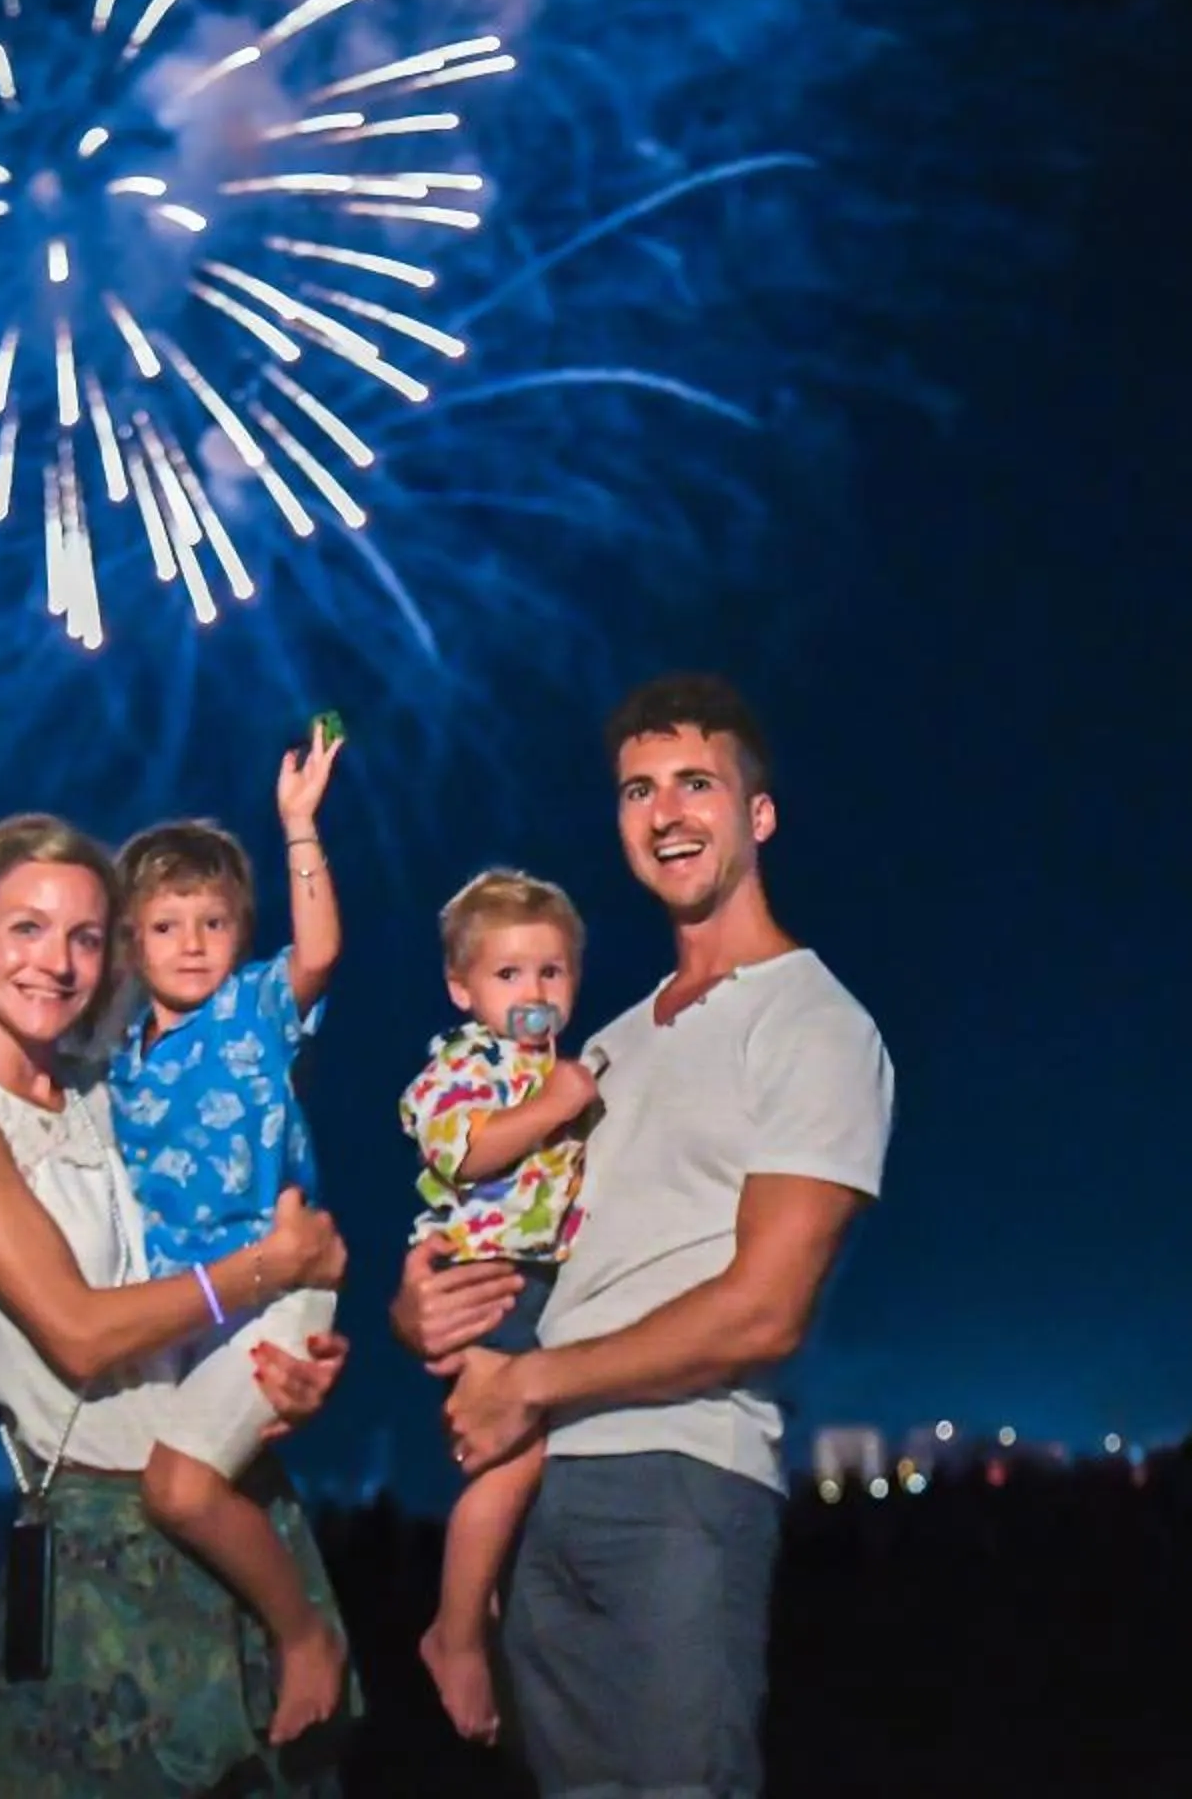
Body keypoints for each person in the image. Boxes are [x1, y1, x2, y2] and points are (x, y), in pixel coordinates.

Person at [397, 674, 894, 1798]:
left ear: (757, 814)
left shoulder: (814, 1022)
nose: (665, 811)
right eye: (637, 788)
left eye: (696, 783)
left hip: (683, 1477)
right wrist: (419, 1300)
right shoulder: (602, 1047)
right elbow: (530, 1240)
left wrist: (537, 1382)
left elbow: (766, 1309)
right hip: (547, 1484)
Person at [0, 813, 357, 1796]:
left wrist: (289, 1363)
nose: (56, 960)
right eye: (26, 927)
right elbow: (80, 1330)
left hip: (229, 1493)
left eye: (85, 936)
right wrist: (271, 1269)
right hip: (102, 1532)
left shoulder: (110, 1097)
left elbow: (247, 1158)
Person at [106, 727, 352, 1747]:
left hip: (279, 1280)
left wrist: (298, 827)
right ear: (131, 943)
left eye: (214, 920)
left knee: (181, 1484)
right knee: (173, 1485)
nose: (195, 941)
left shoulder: (253, 1009)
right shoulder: (116, 1059)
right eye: (168, 925)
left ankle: (307, 1637)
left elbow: (324, 948)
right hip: (191, 1300)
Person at [400, 869, 600, 1741]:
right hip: (488, 1277)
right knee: (509, 1457)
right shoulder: (465, 1065)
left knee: (530, 1454)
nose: (533, 991)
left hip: (537, 1277)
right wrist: (557, 1106)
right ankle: (453, 1635)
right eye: (510, 975)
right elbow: (467, 1153)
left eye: (551, 973)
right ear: (463, 988)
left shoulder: (553, 1066)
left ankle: (478, 1603)